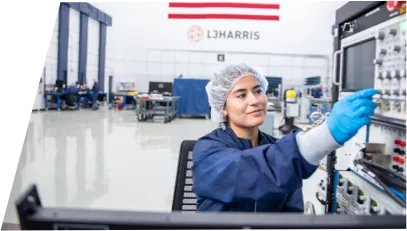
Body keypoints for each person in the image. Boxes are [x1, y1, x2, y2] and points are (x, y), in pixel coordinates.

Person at [192, 64, 377, 212]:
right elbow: (251, 173)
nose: (255, 100)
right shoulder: (208, 150)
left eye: (258, 91)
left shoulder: (276, 146)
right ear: (222, 108)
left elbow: (291, 211)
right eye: (241, 95)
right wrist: (326, 135)